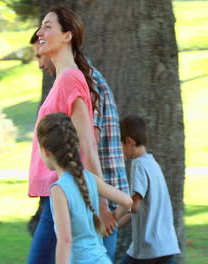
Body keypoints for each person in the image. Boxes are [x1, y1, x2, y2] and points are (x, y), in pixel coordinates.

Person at [29, 24, 130, 262]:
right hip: (95, 189)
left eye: (40, 55)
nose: (41, 64)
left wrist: (102, 206)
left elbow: (89, 142)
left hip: (93, 191)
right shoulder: (75, 78)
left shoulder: (75, 80)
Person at [36, 112, 133, 264]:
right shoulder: (89, 178)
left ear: (46, 151)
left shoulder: (58, 190)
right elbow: (127, 201)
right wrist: (112, 219)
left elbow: (65, 240)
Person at [118, 115, 181, 264]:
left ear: (129, 142)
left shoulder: (138, 164)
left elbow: (134, 205)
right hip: (166, 244)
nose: (120, 150)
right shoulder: (153, 164)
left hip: (148, 247)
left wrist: (113, 218)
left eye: (119, 144)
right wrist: (115, 226)